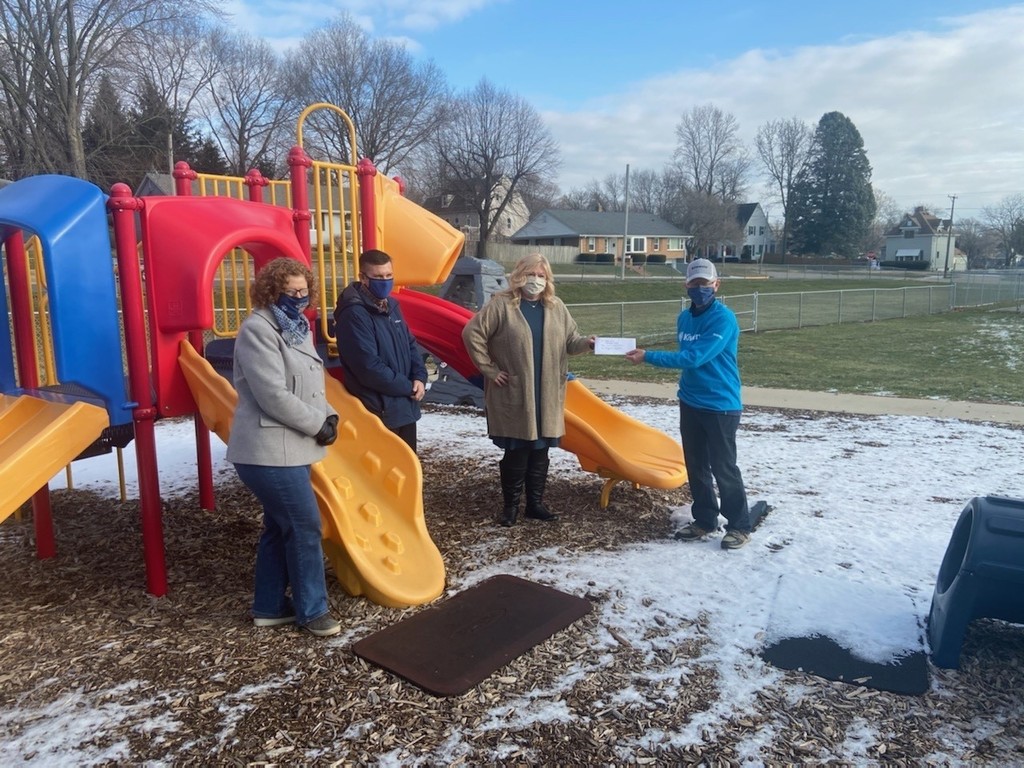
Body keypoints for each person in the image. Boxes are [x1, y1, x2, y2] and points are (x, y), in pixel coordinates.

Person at [227, 257, 342, 637]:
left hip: (291, 447)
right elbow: (272, 395)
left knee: (279, 528)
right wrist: (316, 424)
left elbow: (312, 382)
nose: (299, 296)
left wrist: (329, 415)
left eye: (303, 290)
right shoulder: (258, 329)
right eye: (290, 291)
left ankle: (270, 606)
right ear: (271, 292)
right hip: (267, 450)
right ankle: (313, 612)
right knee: (305, 526)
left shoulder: (297, 328)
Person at [625, 258, 753, 550]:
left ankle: (739, 526)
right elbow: (688, 360)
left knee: (724, 467)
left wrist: (648, 356)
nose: (699, 289)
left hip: (721, 404)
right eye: (694, 283)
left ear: (716, 285)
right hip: (691, 401)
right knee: (696, 466)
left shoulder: (724, 319)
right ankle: (705, 519)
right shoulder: (684, 318)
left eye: (705, 284)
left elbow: (694, 358)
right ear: (687, 285)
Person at [463, 253, 594, 527]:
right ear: (519, 275)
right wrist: (489, 369)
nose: (536, 280)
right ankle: (510, 507)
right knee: (517, 451)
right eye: (531, 274)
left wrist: (587, 343)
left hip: (546, 392)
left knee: (540, 451)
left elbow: (571, 341)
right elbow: (472, 333)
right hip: (515, 392)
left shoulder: (555, 307)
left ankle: (535, 504)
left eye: (541, 275)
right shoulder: (502, 305)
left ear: (548, 280)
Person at [334, 249, 427, 452]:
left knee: (408, 464)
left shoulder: (392, 306)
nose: (384, 281)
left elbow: (410, 344)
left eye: (388, 275)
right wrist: (408, 387)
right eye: (377, 277)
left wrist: (419, 377)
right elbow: (368, 368)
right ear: (363, 278)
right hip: (378, 409)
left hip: (403, 405)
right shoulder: (354, 314)